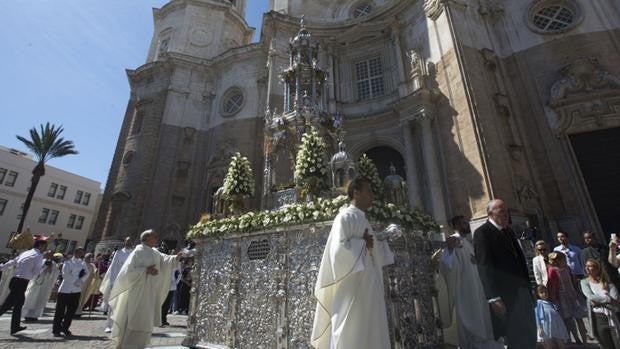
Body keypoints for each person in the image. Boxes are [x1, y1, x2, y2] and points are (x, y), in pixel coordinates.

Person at [311, 177, 394, 349]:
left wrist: (380, 240)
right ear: (356, 192)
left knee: (371, 330)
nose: (372, 195)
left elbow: (372, 248)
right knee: (351, 332)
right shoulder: (345, 217)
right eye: (368, 191)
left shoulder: (363, 219)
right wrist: (362, 244)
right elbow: (337, 252)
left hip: (369, 286)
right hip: (352, 289)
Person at [473, 199, 536, 348]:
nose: (506, 214)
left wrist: (529, 287)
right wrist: (493, 297)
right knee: (516, 332)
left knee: (530, 329)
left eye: (506, 211)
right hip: (505, 293)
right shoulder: (482, 233)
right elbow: (484, 266)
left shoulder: (508, 231)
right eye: (501, 211)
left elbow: (520, 261)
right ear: (490, 213)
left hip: (522, 290)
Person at [109, 229, 182, 349]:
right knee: (134, 317)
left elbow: (165, 260)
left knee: (145, 319)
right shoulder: (138, 251)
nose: (157, 239)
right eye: (154, 237)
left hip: (149, 292)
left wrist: (175, 258)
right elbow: (128, 272)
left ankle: (140, 345)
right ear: (147, 238)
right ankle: (128, 344)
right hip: (137, 291)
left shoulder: (155, 252)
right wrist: (145, 270)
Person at [437, 215, 502, 349]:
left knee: (479, 314)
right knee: (469, 316)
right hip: (464, 288)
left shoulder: (467, 242)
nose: (466, 225)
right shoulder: (453, 240)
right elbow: (446, 264)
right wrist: (449, 250)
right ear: (455, 226)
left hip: (476, 286)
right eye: (463, 223)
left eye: (466, 222)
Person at [0, 239, 48, 334]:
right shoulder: (38, 256)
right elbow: (36, 272)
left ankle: (15, 327)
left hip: (15, 280)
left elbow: (13, 262)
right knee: (7, 304)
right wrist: (44, 268)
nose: (45, 249)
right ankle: (15, 327)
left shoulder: (26, 252)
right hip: (21, 283)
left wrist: (1, 267)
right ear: (41, 246)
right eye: (44, 247)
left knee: (18, 304)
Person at [547, 251, 589, 344]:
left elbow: (573, 280)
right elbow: (552, 285)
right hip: (562, 296)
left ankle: (585, 341)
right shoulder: (552, 270)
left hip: (572, 294)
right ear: (557, 261)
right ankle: (573, 339)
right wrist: (553, 298)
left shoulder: (567, 268)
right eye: (563, 260)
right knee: (568, 319)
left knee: (579, 318)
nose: (565, 261)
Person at [580, 258, 620, 349]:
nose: (587, 268)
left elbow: (616, 299)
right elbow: (591, 297)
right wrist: (608, 299)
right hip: (599, 318)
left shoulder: (608, 283)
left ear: (597, 269)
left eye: (590, 266)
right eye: (586, 266)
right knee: (605, 345)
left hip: (612, 317)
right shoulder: (584, 282)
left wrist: (600, 302)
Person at [53, 247, 90, 337]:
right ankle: (56, 329)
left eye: (82, 252)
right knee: (60, 310)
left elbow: (87, 273)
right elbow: (65, 274)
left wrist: (80, 281)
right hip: (65, 289)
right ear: (76, 252)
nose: (81, 253)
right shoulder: (68, 262)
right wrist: (75, 281)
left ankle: (65, 327)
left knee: (71, 311)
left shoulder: (82, 263)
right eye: (80, 252)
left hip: (76, 290)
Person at [99, 236, 134, 333]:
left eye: (130, 241)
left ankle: (119, 325)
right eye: (127, 241)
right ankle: (109, 325)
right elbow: (113, 267)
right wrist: (112, 282)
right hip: (118, 281)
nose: (129, 243)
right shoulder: (119, 253)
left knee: (124, 305)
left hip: (128, 282)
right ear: (124, 242)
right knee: (113, 305)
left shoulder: (134, 253)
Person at [23, 250, 60, 321]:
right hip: (36, 282)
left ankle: (35, 315)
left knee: (41, 298)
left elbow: (56, 273)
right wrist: (44, 269)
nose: (49, 256)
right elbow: (33, 271)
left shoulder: (54, 264)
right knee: (31, 298)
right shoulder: (40, 262)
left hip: (45, 284)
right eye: (48, 254)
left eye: (51, 255)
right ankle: (27, 315)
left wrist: (51, 270)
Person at [535, 285, 570, 349]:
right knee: (548, 345)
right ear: (538, 294)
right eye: (541, 292)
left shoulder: (550, 303)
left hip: (555, 325)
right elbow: (537, 316)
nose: (544, 294)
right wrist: (539, 327)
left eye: (545, 292)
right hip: (545, 326)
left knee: (561, 343)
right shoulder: (538, 303)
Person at [161, 250, 181, 327]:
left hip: (172, 286)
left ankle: (164, 319)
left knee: (167, 304)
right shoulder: (166, 263)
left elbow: (179, 274)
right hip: (164, 285)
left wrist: (176, 282)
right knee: (163, 303)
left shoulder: (177, 263)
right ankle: (160, 320)